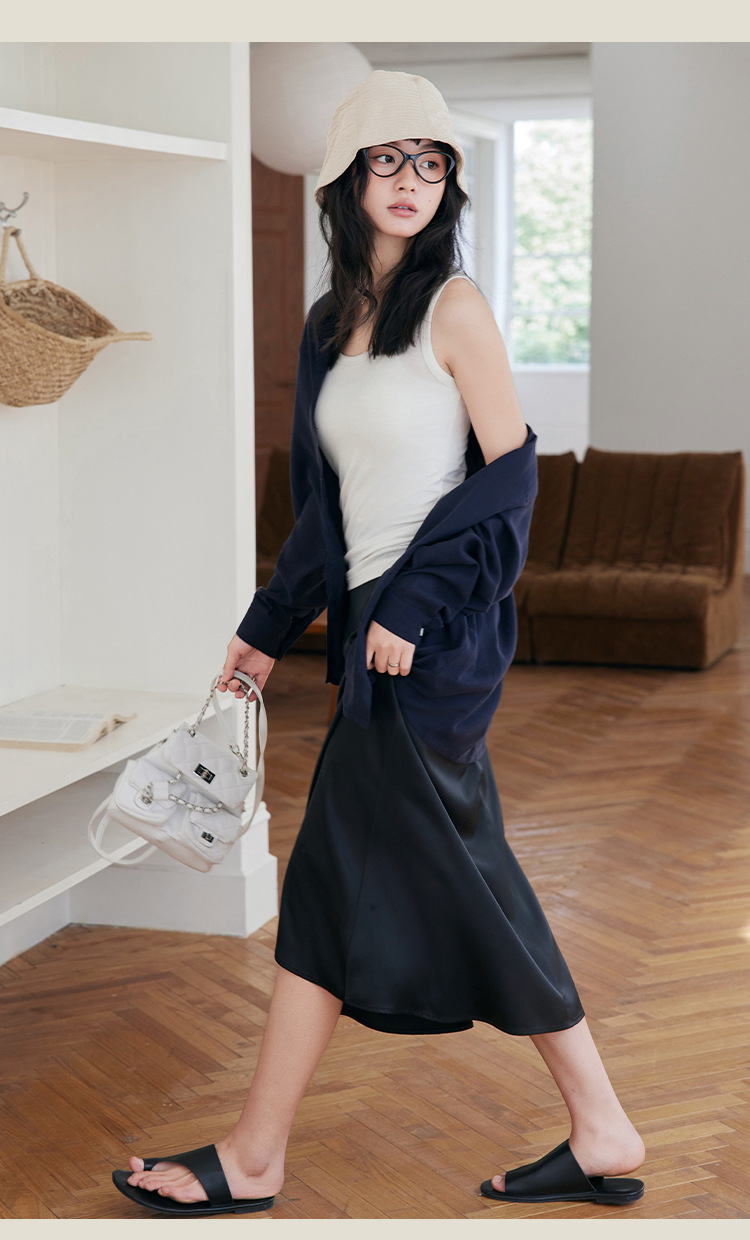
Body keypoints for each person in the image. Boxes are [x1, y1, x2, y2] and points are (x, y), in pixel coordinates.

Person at [113, 70, 645, 1218]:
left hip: (430, 654)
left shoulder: (456, 308)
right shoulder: (330, 326)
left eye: (431, 161)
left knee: (394, 881)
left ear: (449, 183)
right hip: (371, 652)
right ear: (346, 180)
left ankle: (260, 1155)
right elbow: (327, 507)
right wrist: (266, 627)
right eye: (388, 160)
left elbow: (509, 487)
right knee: (381, 882)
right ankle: (593, 1124)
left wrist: (413, 610)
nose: (411, 181)